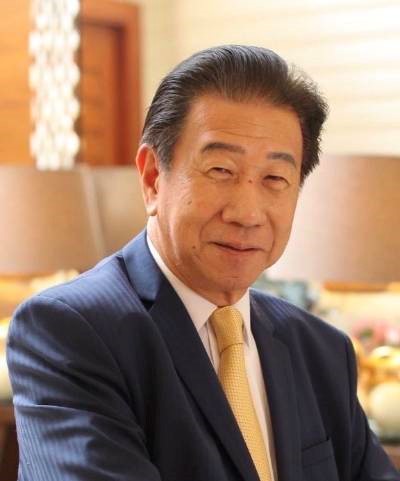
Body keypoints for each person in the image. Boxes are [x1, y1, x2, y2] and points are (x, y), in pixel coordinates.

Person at [7, 45, 399, 481]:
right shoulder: (69, 331)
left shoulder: (321, 350)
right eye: (220, 171)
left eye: (274, 178)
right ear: (153, 178)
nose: (247, 213)